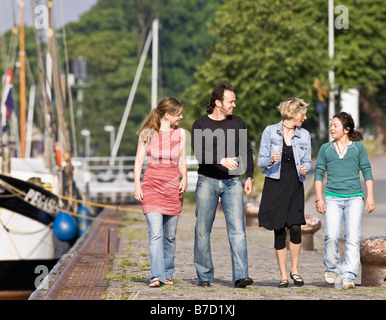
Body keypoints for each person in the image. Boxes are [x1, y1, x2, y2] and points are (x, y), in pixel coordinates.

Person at [191, 81, 254, 288]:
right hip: (207, 181)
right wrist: (221, 160)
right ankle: (204, 275)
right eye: (231, 101)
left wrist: (250, 176)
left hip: (233, 182)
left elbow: (246, 150)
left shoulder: (238, 122)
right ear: (218, 102)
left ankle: (241, 276)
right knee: (202, 230)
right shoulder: (200, 125)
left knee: (238, 230)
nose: (234, 105)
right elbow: (200, 153)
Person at [314, 112, 375, 289]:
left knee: (352, 237)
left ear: (346, 129)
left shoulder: (358, 148)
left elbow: (367, 171)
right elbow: (318, 174)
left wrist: (369, 196)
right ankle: (331, 268)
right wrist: (319, 199)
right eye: (331, 125)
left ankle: (348, 274)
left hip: (354, 197)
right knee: (331, 235)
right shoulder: (326, 149)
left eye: (335, 125)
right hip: (332, 197)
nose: (331, 128)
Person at [134, 96, 187, 287]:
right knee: (155, 234)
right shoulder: (147, 133)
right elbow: (139, 160)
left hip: (173, 188)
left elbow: (181, 160)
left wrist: (185, 178)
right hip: (152, 187)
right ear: (167, 115)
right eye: (178, 114)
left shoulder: (181, 134)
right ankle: (156, 276)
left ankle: (167, 272)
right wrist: (136, 185)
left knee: (170, 236)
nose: (181, 117)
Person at [257, 97, 311, 288]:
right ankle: (283, 276)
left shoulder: (304, 135)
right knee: (279, 230)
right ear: (292, 113)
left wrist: (305, 168)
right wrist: (271, 159)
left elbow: (308, 161)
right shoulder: (270, 131)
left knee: (295, 227)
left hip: (295, 184)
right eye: (302, 113)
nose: (304, 117)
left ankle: (295, 271)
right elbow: (260, 161)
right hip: (275, 184)